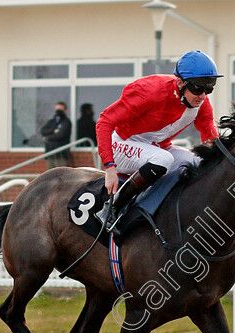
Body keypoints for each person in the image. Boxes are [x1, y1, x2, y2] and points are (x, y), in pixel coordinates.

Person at [95, 50, 222, 229]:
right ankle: (111, 208)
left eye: (208, 89)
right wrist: (109, 168)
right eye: (197, 89)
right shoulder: (149, 91)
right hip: (122, 144)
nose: (202, 96)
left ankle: (164, 209)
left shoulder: (201, 104)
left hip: (156, 149)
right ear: (180, 82)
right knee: (163, 159)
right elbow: (104, 122)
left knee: (196, 162)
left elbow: (210, 138)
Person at [40, 102, 72, 168]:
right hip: (50, 153)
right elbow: (43, 131)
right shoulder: (52, 122)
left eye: (60, 110)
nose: (58, 112)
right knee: (51, 176)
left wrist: (48, 137)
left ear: (65, 111)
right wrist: (53, 131)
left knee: (62, 176)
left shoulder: (66, 122)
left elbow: (60, 134)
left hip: (61, 155)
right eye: (57, 110)